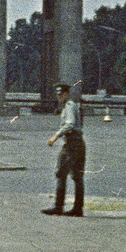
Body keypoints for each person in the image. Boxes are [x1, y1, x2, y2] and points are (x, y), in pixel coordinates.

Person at [43, 82, 85, 217]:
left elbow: (70, 124)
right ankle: (78, 208)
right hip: (78, 143)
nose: (59, 97)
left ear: (67, 93)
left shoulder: (69, 106)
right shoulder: (72, 106)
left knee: (61, 172)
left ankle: (58, 206)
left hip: (71, 144)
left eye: (61, 94)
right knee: (77, 176)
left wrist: (56, 135)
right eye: (58, 95)